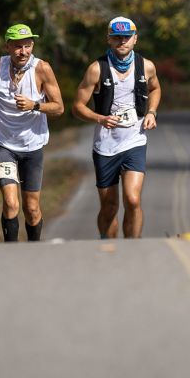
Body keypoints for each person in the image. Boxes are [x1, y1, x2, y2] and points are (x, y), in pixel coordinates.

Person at [72, 16, 161, 239]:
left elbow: (155, 89)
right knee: (109, 206)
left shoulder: (146, 66)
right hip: (106, 146)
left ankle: (133, 246)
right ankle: (108, 246)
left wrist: (151, 112)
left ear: (135, 39)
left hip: (135, 141)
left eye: (126, 37)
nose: (122, 41)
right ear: (109, 39)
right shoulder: (97, 69)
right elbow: (77, 107)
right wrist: (99, 118)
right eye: (117, 37)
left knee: (132, 199)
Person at [0, 23, 64, 242]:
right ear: (7, 47)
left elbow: (59, 107)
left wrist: (34, 105)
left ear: (32, 46)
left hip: (32, 147)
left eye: (27, 46)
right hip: (2, 144)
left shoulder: (42, 69)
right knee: (11, 203)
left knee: (32, 208)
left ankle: (33, 249)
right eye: (17, 47)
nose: (23, 52)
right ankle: (11, 250)